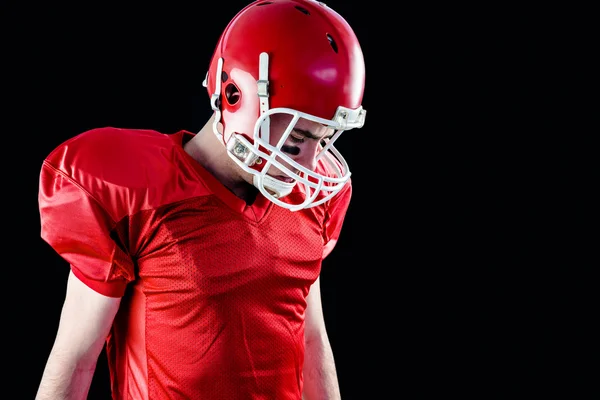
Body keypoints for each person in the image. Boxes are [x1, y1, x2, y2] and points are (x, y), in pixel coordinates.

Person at [35, 0, 366, 398]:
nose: (311, 163)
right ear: (234, 95)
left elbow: (311, 340)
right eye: (297, 138)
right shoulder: (137, 195)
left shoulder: (308, 198)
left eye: (322, 139)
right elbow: (75, 359)